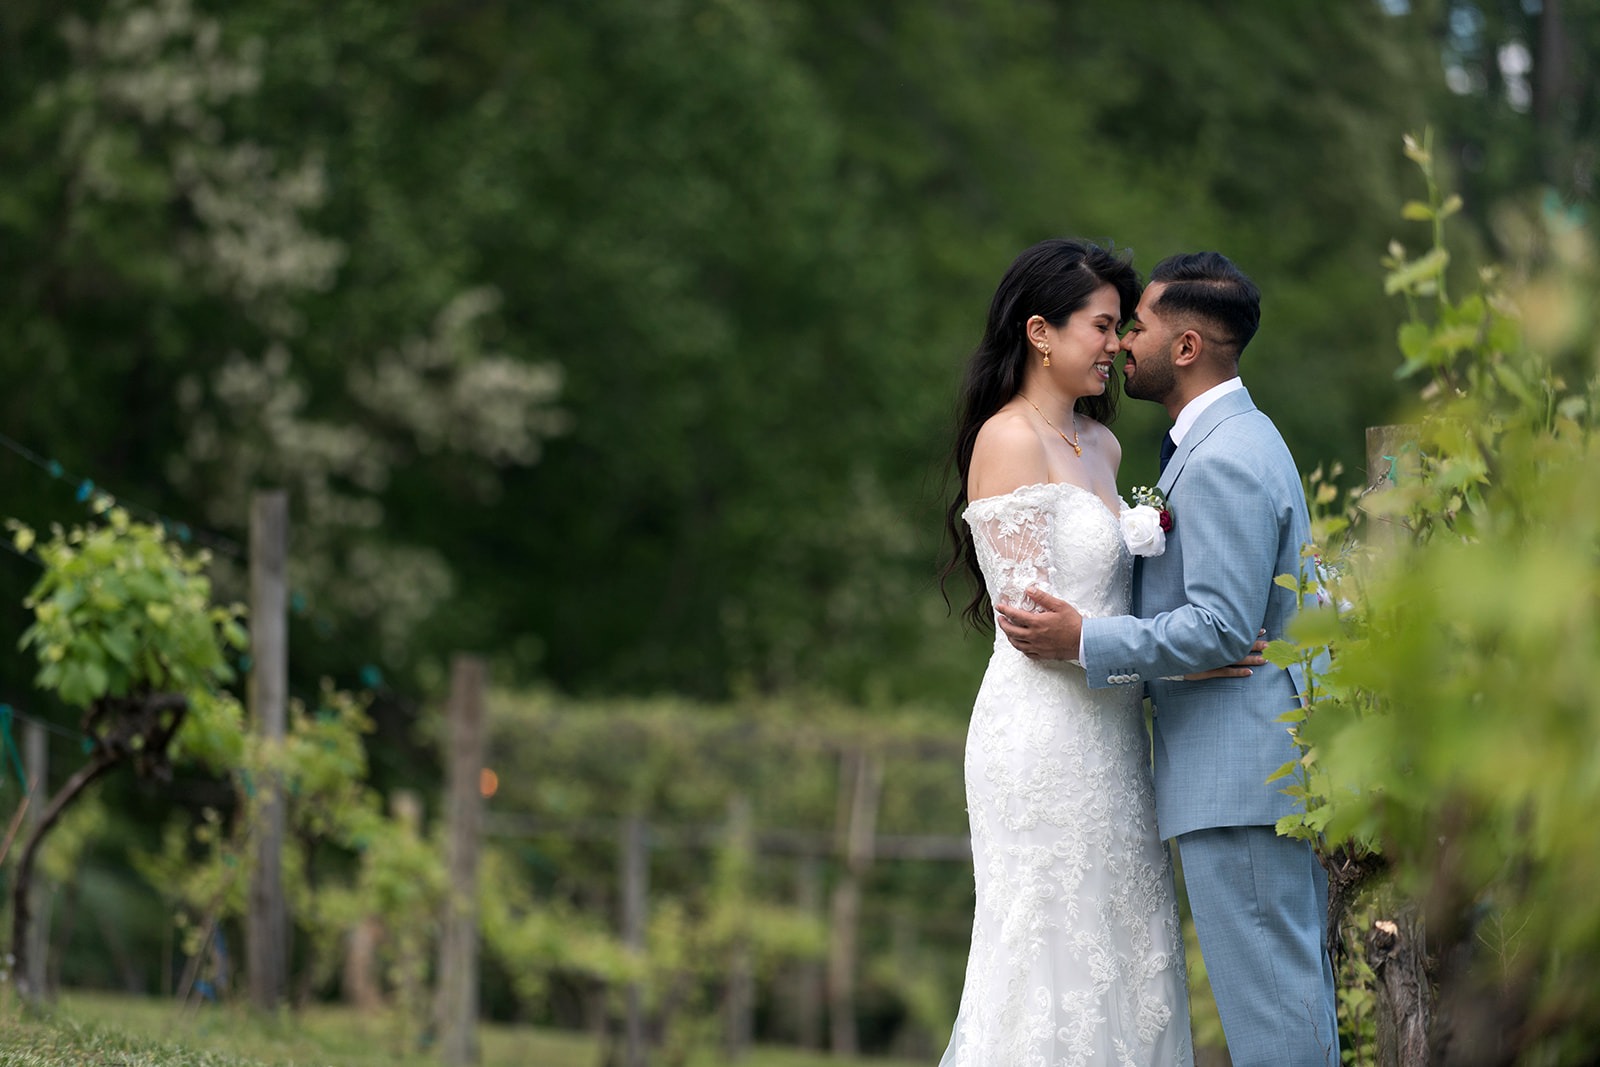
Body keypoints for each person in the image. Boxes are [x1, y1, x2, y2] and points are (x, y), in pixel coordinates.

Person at [994, 252, 1339, 1066]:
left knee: (1276, 1025)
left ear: (1185, 347)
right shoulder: (1230, 439)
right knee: (1287, 1009)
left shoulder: (1222, 456)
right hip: (1238, 772)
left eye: (1136, 326)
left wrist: (1087, 640)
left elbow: (1221, 625)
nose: (1123, 346)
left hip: (1239, 780)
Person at [939, 239, 1250, 1066]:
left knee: (1131, 951)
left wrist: (1194, 648)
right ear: (1041, 331)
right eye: (1103, 326)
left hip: (1115, 736)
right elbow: (1035, 629)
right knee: (1049, 959)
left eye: (1122, 327)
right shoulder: (1006, 441)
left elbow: (1121, 607)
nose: (1118, 344)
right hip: (1042, 737)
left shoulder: (1106, 448)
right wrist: (1169, 656)